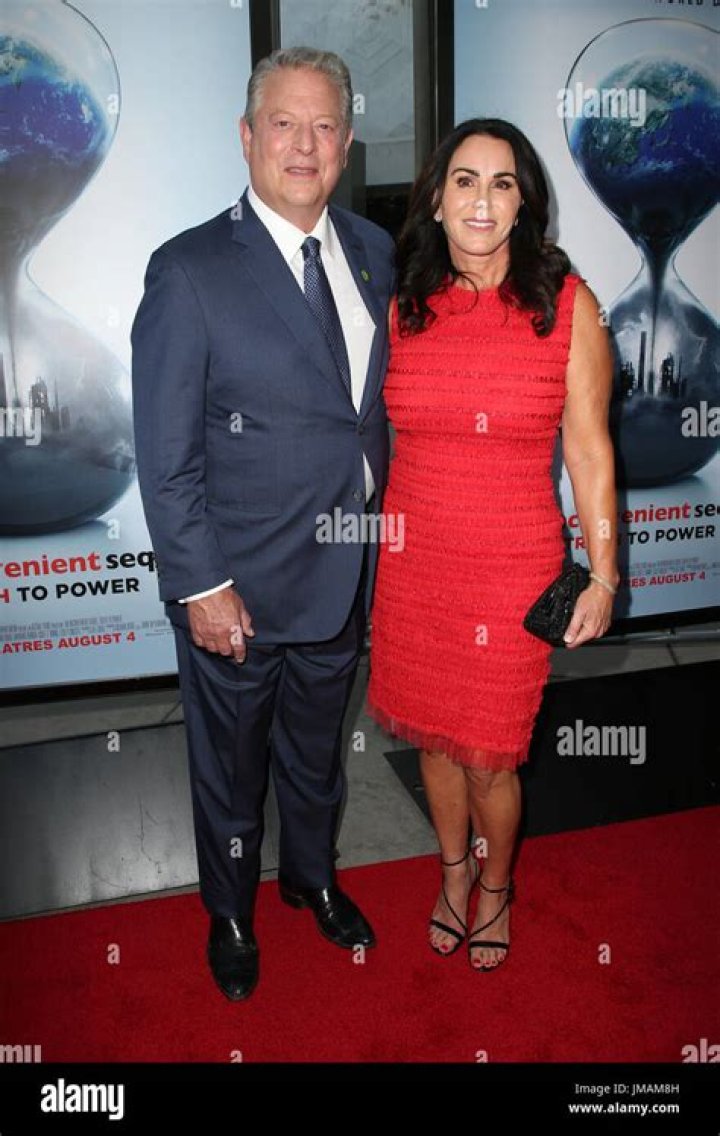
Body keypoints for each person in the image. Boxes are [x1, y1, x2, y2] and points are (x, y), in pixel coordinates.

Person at [131, 47, 395, 1000]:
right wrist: (202, 585)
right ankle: (231, 911)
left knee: (319, 757)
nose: (304, 145)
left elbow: (369, 415)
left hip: (344, 577)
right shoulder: (189, 270)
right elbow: (165, 454)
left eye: (324, 126)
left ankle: (311, 878)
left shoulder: (375, 252)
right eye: (283, 123)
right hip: (235, 592)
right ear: (247, 137)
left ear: (347, 144)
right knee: (233, 771)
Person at [367, 118, 618, 972]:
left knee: (491, 758)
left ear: (523, 204)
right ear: (436, 201)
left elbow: (590, 452)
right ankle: (451, 873)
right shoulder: (404, 306)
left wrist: (604, 575)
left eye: (502, 183)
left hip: (511, 571)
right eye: (464, 181)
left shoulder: (567, 306)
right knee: (437, 745)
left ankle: (497, 884)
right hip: (417, 566)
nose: (482, 200)